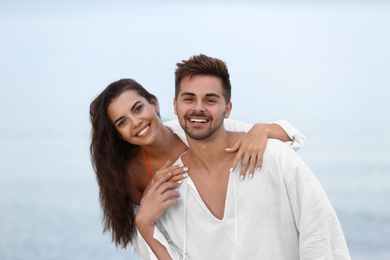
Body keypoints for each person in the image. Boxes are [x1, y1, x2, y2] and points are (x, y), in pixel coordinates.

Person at [135, 54, 351, 259]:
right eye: (189, 99)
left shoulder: (274, 156)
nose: (198, 108)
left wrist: (268, 129)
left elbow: (319, 231)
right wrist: (144, 225)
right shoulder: (173, 188)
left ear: (227, 109)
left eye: (210, 100)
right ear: (175, 106)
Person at [89, 78, 306, 251]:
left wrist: (262, 129)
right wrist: (145, 217)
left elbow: (290, 137)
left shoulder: (195, 128)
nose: (136, 122)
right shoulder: (132, 176)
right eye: (122, 122)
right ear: (119, 134)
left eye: (138, 109)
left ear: (154, 104)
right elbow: (157, 243)